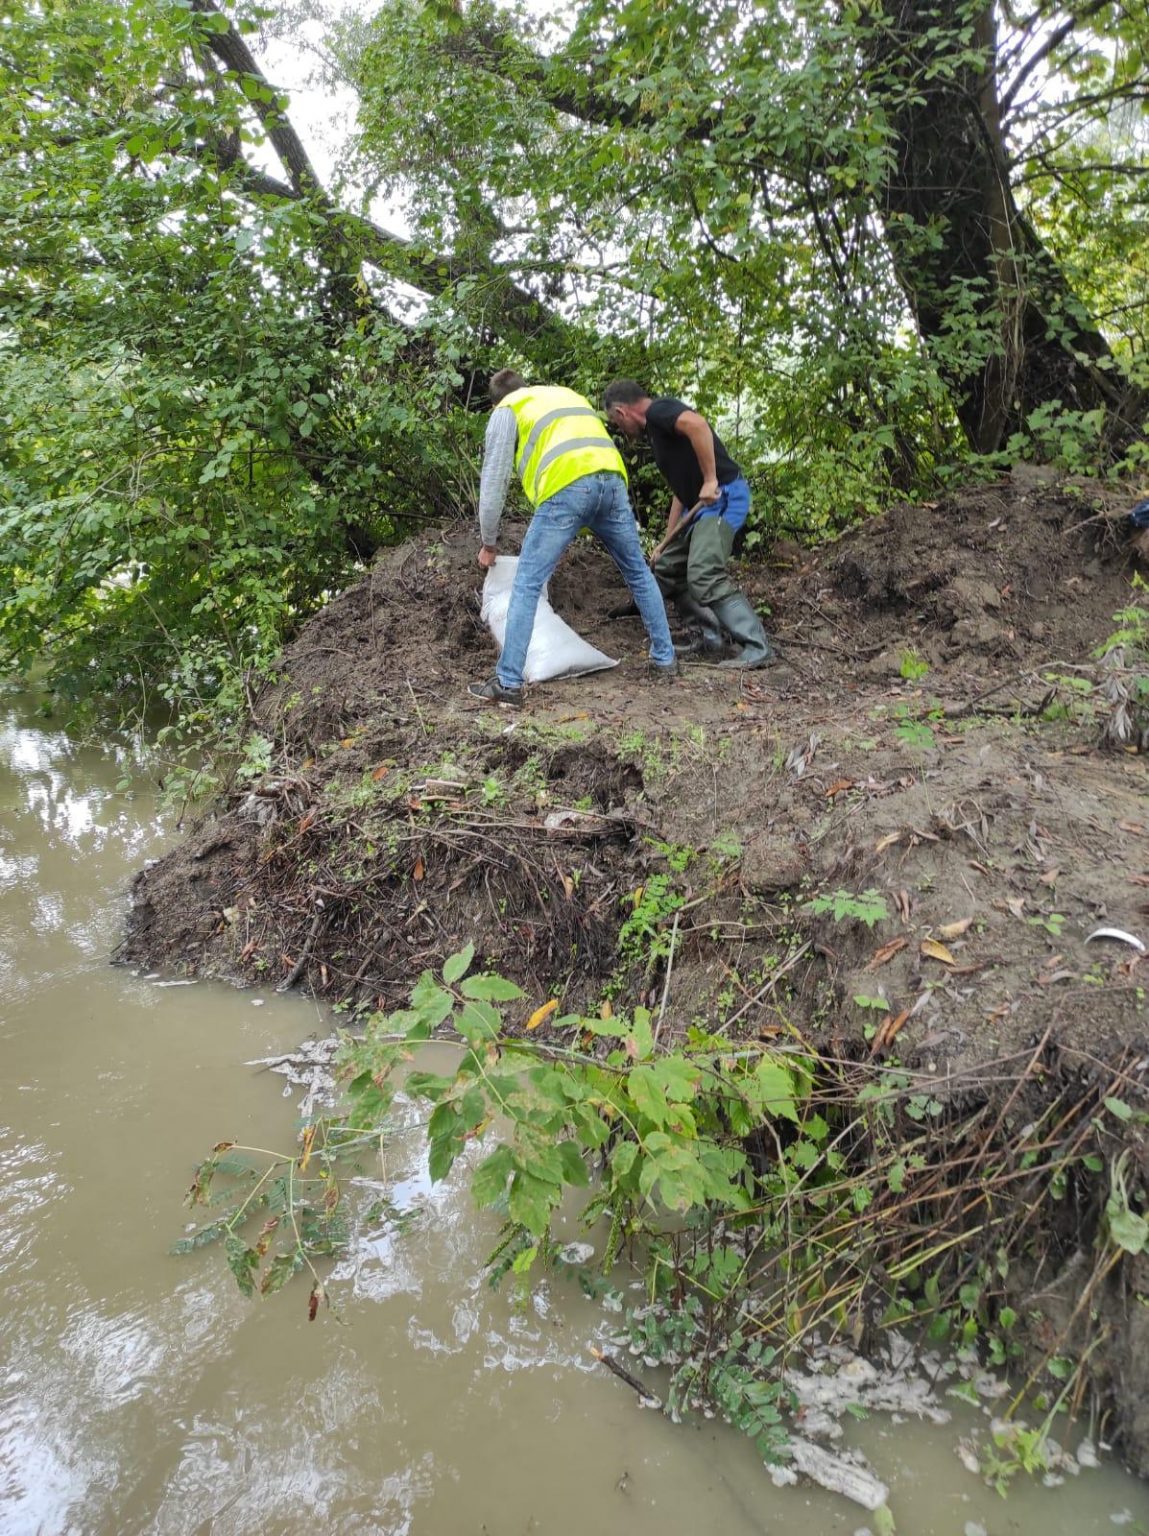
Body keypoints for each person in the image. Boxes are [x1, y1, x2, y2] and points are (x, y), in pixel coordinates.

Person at [468, 369, 676, 706]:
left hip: (567, 486)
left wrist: (489, 543)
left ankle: (507, 684)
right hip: (611, 481)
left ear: (496, 401)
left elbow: (493, 483)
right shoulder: (564, 394)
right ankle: (665, 660)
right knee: (638, 572)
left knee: (526, 583)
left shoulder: (507, 410)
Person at [603, 380, 775, 669]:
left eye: (615, 423)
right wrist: (667, 540)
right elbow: (679, 493)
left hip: (723, 499)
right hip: (699, 509)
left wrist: (710, 479)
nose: (620, 430)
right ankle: (708, 637)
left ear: (622, 412)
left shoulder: (659, 411)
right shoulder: (656, 433)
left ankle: (757, 646)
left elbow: (697, 424)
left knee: (704, 573)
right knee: (667, 569)